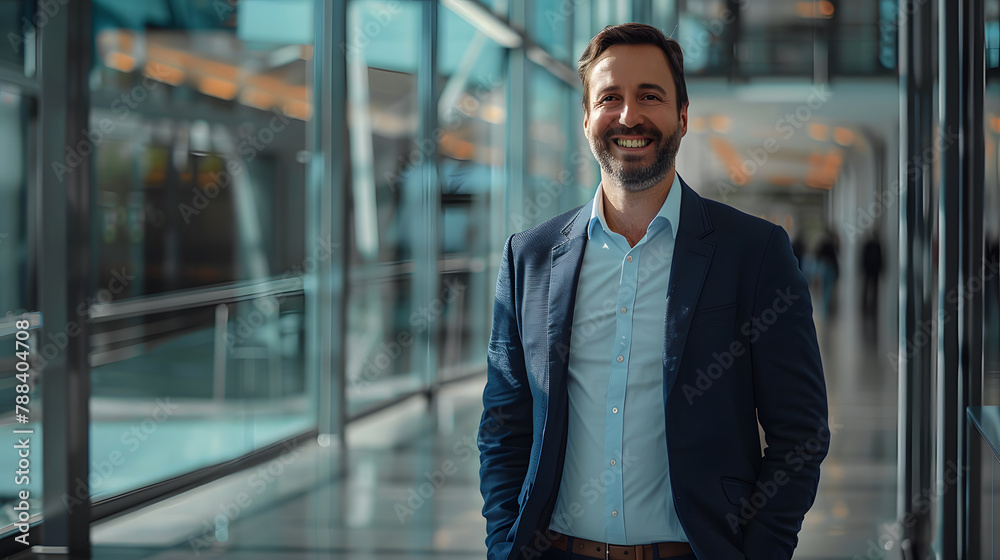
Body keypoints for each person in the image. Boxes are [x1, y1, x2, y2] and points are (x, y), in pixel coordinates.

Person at [478, 23, 829, 560]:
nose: (628, 116)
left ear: (682, 116)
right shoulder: (529, 258)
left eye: (650, 96)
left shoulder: (754, 253)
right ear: (587, 118)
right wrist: (504, 544)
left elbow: (800, 433)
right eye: (609, 98)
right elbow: (503, 426)